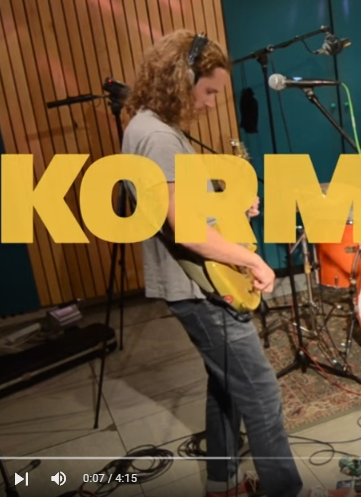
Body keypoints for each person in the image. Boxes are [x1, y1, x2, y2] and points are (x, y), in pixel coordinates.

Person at [121, 30, 303, 497]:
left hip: (190, 283)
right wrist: (254, 261)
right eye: (208, 91)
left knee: (225, 383)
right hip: (197, 287)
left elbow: (179, 208)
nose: (210, 103)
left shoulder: (147, 125)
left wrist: (228, 206)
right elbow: (188, 231)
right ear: (180, 79)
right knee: (260, 391)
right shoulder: (159, 137)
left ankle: (222, 482)